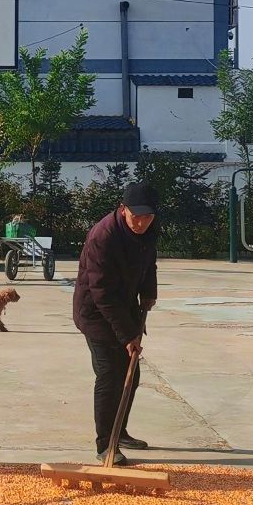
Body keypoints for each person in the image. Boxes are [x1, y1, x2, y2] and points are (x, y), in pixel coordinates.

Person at [73, 181, 160, 462]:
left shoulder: (148, 228)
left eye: (148, 217)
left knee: (130, 375)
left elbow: (149, 263)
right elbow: (102, 293)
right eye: (137, 216)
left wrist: (149, 292)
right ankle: (105, 445)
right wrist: (128, 335)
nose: (141, 223)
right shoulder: (103, 236)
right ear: (123, 209)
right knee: (110, 375)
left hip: (125, 305)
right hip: (96, 312)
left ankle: (118, 431)